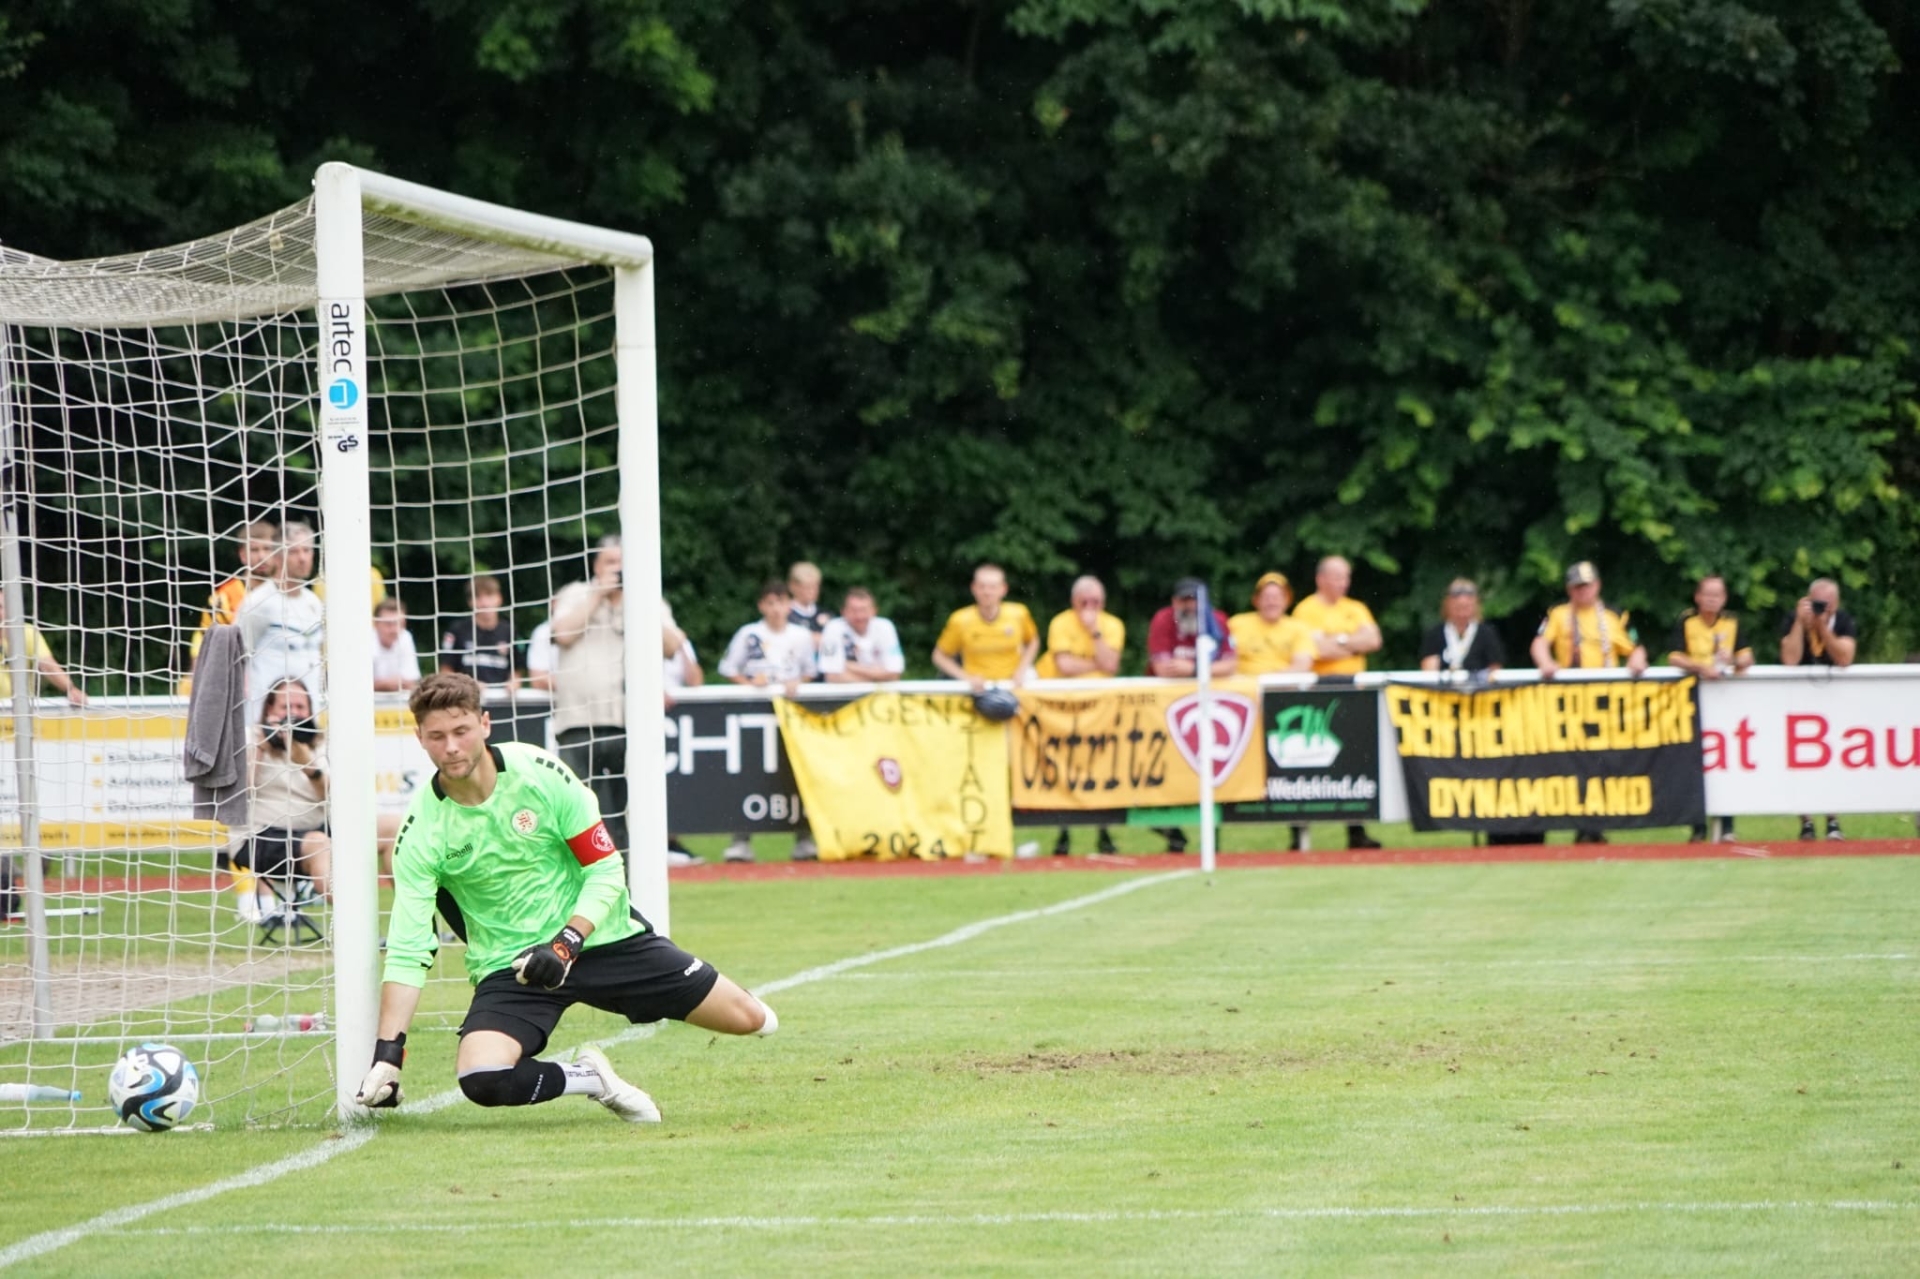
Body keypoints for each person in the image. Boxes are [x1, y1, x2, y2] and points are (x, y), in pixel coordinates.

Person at [354, 673, 776, 1124]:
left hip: (600, 937)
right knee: (482, 1077)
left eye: (461, 731)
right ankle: (590, 1078)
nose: (452, 747)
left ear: (485, 724)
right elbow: (409, 950)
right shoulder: (420, 831)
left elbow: (606, 869)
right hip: (513, 964)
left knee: (753, 1020)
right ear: (419, 738)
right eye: (437, 736)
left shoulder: (540, 772)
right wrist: (389, 1055)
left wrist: (565, 943)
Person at [1530, 561, 1648, 844]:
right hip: (1570, 700)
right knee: (1573, 761)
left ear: (1597, 586)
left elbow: (1636, 646)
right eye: (1576, 587)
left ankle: (1596, 824)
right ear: (1569, 589)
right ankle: (1582, 823)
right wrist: (1546, 663)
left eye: (1586, 586)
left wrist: (1636, 659)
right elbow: (1539, 642)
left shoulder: (1615, 615)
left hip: (1604, 699)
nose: (1582, 591)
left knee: (1602, 761)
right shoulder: (1558, 614)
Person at [718, 580, 820, 863]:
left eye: (781, 602)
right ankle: (740, 841)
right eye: (770, 603)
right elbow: (728, 668)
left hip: (791, 714)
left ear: (789, 605)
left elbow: (811, 671)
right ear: (762, 606)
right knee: (750, 772)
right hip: (755, 713)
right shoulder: (749, 633)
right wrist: (750, 684)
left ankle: (804, 839)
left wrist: (796, 682)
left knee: (795, 770)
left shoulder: (800, 636)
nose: (776, 609)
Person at [1291, 556, 1383, 850]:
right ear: (1321, 579)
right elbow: (1313, 648)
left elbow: (1373, 641)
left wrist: (1337, 641)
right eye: (1337, 577)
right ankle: (1299, 834)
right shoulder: (1306, 609)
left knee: (1355, 760)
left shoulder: (1356, 608)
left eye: (1346, 577)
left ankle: (1356, 830)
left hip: (1354, 691)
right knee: (1306, 760)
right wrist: (1351, 642)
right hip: (1317, 694)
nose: (1344, 583)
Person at [550, 537, 632, 858]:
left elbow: (672, 644)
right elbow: (563, 634)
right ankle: (583, 874)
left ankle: (631, 875)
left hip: (627, 724)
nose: (617, 568)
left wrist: (641, 602)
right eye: (610, 562)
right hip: (578, 723)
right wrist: (599, 593)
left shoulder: (642, 597)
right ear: (596, 566)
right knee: (580, 810)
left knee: (628, 810)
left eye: (622, 562)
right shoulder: (575, 593)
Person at [1035, 576, 1125, 856]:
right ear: (1074, 601)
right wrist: (1097, 664)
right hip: (1061, 710)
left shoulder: (1112, 625)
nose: (1090, 607)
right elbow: (1064, 666)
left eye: (1095, 602)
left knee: (1099, 767)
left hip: (1097, 710)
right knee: (1063, 768)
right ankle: (1064, 833)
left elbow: (1111, 664)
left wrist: (1094, 632)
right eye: (1084, 602)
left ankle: (1103, 832)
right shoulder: (1061, 623)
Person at [1146, 578, 1237, 854]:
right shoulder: (1163, 620)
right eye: (1184, 600)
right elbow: (1162, 668)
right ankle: (1173, 833)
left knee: (1211, 772)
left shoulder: (1216, 621)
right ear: (1174, 602)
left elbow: (1230, 664)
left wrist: (1193, 669)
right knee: (1161, 774)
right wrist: (1204, 669)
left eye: (1194, 600)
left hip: (1205, 712)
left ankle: (1213, 840)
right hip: (1164, 712)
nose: (1189, 606)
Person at [1667, 574, 1753, 843]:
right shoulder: (1687, 621)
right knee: (1694, 760)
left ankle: (1727, 825)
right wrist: (1700, 667)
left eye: (1717, 595)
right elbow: (1674, 656)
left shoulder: (1732, 622)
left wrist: (1734, 660)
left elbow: (1747, 657)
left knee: (1724, 759)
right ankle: (1698, 826)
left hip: (1725, 699)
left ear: (1724, 598)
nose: (1712, 599)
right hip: (1694, 696)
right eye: (1708, 594)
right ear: (1698, 597)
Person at [236, 679, 331, 916]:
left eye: (300, 707)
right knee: (318, 843)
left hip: (318, 828)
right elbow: (239, 793)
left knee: (389, 827)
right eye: (285, 707)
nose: (293, 714)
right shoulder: (249, 738)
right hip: (261, 837)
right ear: (270, 709)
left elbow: (335, 798)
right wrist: (261, 745)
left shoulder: (321, 744)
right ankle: (354, 924)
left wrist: (309, 766)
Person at [1779, 577, 1858, 841]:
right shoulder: (1794, 619)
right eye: (1817, 602)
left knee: (1833, 758)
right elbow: (1790, 659)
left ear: (1836, 603)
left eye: (1827, 603)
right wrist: (1800, 624)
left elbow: (1845, 657)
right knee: (1799, 760)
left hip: (1833, 700)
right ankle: (1806, 821)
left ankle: (1833, 819)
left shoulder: (1843, 621)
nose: (1821, 607)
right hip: (1799, 701)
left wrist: (1823, 627)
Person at [234, 520, 325, 726]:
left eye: (307, 550)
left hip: (308, 715)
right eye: (294, 551)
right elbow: (237, 656)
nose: (302, 558)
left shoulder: (314, 603)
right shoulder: (258, 603)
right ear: (277, 556)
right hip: (264, 718)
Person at [183, 517, 276, 691]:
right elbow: (203, 641)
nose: (262, 556)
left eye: (267, 549)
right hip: (237, 683)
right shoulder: (225, 597)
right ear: (242, 555)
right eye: (254, 550)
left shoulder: (287, 594)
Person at [931, 564, 1039, 691]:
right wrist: (966, 678)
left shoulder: (1018, 613)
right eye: (982, 586)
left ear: (1003, 589)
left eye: (993, 587)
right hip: (978, 688)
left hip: (1013, 685)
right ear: (973, 588)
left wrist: (1022, 670)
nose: (987, 592)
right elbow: (939, 656)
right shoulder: (960, 620)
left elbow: (1033, 641)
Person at [659, 600, 703, 868]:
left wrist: (682, 645)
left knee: (673, 784)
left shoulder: (676, 641)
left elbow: (696, 680)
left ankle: (671, 842)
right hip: (637, 721)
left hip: (675, 724)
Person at [0, 593, 89, 706]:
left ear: (9, 610)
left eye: (0, 607)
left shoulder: (26, 633)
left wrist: (70, 688)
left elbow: (48, 666)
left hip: (19, 709)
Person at [440, 574, 519, 690]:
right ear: (470, 602)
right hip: (465, 697)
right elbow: (446, 671)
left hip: (501, 698)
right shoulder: (457, 630)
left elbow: (516, 670)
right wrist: (468, 686)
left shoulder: (509, 631)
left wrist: (513, 683)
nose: (484, 603)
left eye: (489, 595)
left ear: (499, 598)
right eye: (477, 597)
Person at [1229, 572, 1316, 677]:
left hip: (1283, 683)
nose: (1271, 602)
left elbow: (1302, 664)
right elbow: (1223, 657)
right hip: (1241, 683)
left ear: (1287, 600)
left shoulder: (1299, 628)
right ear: (1256, 600)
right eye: (1266, 597)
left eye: (1276, 597)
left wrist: (1271, 679)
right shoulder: (1236, 623)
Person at [1418, 579, 1506, 678]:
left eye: (1466, 607)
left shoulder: (1487, 633)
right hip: (1444, 686)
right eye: (1457, 608)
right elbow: (1429, 670)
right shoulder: (1434, 634)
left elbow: (1495, 670)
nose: (1462, 613)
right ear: (1447, 606)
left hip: (1478, 686)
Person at [818, 587, 905, 685]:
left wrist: (846, 665)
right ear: (843, 612)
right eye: (853, 610)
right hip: (843, 694)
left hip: (880, 694)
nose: (859, 616)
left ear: (874, 611)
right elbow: (832, 676)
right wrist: (878, 677)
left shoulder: (885, 627)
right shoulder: (833, 628)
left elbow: (894, 673)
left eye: (863, 610)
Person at [371, 599, 423, 692]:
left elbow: (412, 682)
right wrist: (387, 684)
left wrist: (380, 684)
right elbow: (358, 684)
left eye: (399, 624)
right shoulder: (365, 641)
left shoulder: (405, 637)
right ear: (376, 623)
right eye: (388, 624)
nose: (394, 629)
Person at [786, 561, 834, 653]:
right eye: (807, 587)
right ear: (793, 586)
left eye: (815, 586)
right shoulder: (785, 615)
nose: (812, 591)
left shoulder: (826, 614)